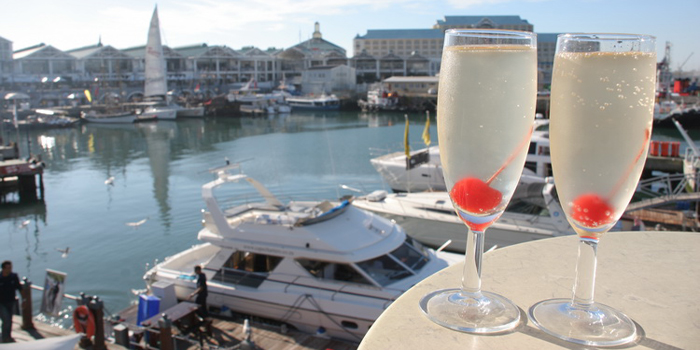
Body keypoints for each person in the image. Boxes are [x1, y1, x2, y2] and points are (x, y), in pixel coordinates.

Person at [0, 261, 21, 343]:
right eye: (8, 268)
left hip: (11, 301)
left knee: (10, 320)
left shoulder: (14, 276)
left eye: (11, 267)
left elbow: (19, 288)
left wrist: (24, 300)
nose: (10, 269)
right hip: (1, 303)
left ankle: (8, 336)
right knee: (6, 319)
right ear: (3, 268)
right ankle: (4, 337)